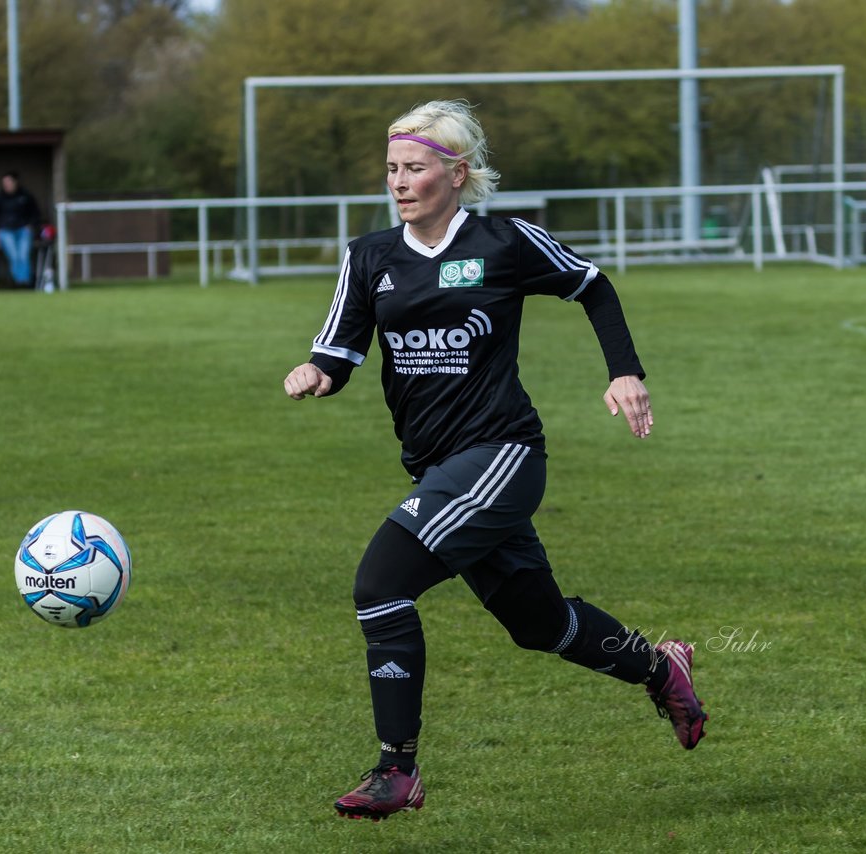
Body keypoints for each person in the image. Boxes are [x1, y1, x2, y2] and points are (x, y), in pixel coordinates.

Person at [282, 100, 707, 822]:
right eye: (391, 169)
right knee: (539, 625)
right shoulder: (369, 257)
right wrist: (318, 372)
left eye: (414, 168)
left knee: (380, 585)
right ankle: (659, 667)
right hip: (438, 469)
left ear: (457, 174)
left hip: (502, 455)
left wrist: (624, 372)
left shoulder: (504, 242)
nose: (399, 182)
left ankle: (397, 769)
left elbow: (592, 285)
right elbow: (341, 347)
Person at [0, 171, 41, 288]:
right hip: (5, 231)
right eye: (4, 183)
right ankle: (21, 282)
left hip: (23, 230)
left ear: (15, 182)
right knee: (14, 254)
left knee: (23, 254)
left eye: (9, 182)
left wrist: (30, 225)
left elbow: (36, 214)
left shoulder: (26, 196)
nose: (7, 185)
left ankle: (24, 282)